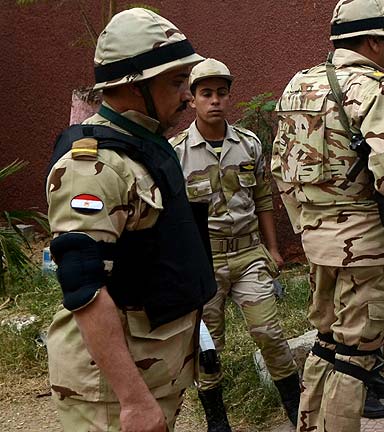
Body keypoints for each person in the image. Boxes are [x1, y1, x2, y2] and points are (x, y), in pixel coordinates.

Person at [271, 0, 384, 429]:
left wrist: (307, 225)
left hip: (318, 243)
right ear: (373, 42)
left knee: (326, 343)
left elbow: (280, 168)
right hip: (368, 247)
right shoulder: (375, 87)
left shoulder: (298, 85)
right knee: (356, 356)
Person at [45, 9, 216, 431]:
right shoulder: (93, 168)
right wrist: (134, 400)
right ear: (132, 85)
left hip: (154, 368)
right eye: (176, 83)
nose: (188, 96)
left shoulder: (145, 146)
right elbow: (84, 287)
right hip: (109, 392)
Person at [171, 58, 301, 430]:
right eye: (206, 93)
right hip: (205, 261)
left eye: (221, 93)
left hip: (248, 255)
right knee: (208, 347)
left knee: (269, 332)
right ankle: (217, 419)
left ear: (229, 97)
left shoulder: (248, 144)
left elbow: (263, 198)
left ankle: (296, 407)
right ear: (192, 99)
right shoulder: (177, 151)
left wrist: (273, 249)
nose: (215, 100)